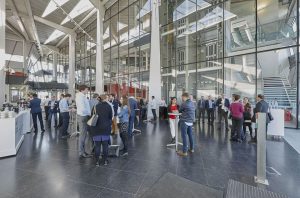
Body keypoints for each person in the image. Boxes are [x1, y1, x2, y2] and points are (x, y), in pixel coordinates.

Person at [90, 94, 113, 166]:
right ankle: (105, 161)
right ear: (105, 98)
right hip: (106, 128)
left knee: (97, 146)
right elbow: (110, 117)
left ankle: (97, 162)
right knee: (105, 146)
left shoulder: (95, 107)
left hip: (96, 129)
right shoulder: (109, 106)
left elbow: (92, 117)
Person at [75, 85, 91, 158]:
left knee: (84, 135)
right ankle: (81, 152)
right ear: (82, 90)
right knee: (83, 135)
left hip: (84, 116)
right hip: (83, 116)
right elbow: (82, 108)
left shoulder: (82, 96)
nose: (87, 91)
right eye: (87, 89)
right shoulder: (80, 97)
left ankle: (83, 151)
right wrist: (89, 113)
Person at [177, 93, 195, 157]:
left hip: (185, 121)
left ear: (184, 97)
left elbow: (180, 110)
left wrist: (183, 112)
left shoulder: (184, 103)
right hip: (191, 121)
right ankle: (192, 149)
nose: (182, 98)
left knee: (184, 136)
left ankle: (184, 152)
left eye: (182, 97)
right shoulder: (192, 103)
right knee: (190, 135)